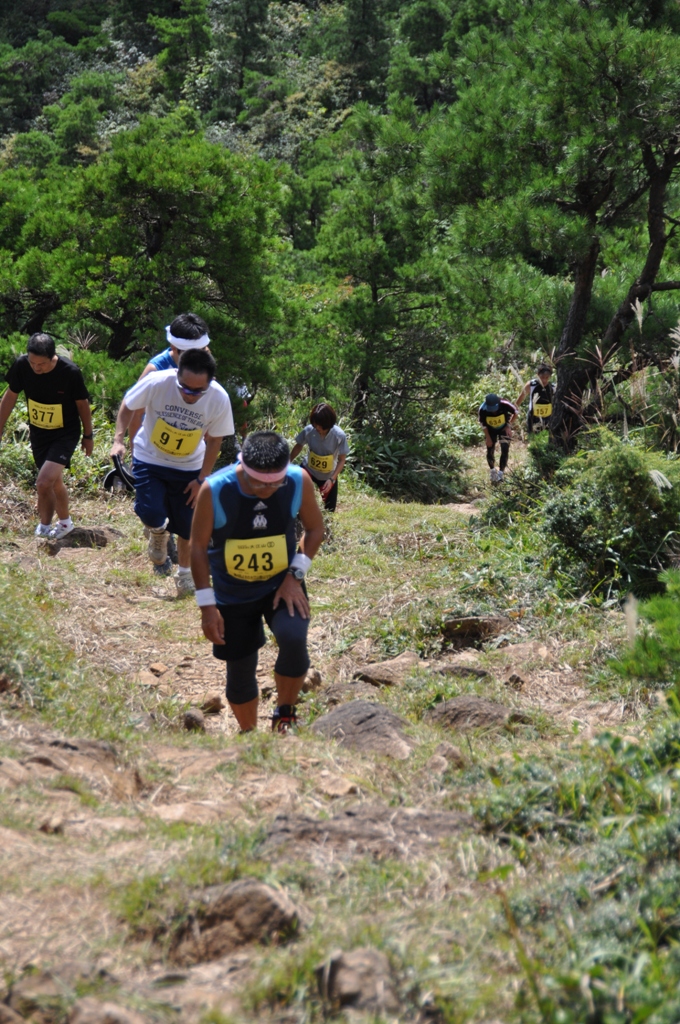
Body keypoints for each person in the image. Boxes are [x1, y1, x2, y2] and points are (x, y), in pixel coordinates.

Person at [191, 431, 324, 734]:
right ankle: (250, 734)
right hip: (233, 593)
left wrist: (294, 576)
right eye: (257, 483)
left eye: (274, 482)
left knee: (293, 640)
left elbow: (315, 530)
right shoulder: (214, 490)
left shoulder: (298, 481)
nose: (267, 489)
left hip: (282, 585)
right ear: (243, 466)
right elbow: (197, 548)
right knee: (240, 670)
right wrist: (207, 606)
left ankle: (285, 712)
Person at [111, 348, 235, 595]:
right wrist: (119, 440)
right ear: (177, 374)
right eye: (184, 388)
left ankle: (185, 575)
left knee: (188, 526)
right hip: (150, 457)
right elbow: (128, 403)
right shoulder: (158, 381)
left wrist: (202, 479)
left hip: (189, 467)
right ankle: (157, 532)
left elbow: (215, 441)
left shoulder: (219, 398)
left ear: (210, 383)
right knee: (150, 511)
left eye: (198, 391)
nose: (190, 395)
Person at [128, 312, 213, 574]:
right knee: (156, 510)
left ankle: (176, 552)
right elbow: (135, 412)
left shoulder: (205, 364)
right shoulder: (156, 369)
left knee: (184, 512)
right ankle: (159, 536)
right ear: (174, 349)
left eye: (204, 350)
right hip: (154, 453)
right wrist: (134, 450)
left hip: (188, 455)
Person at [0, 333, 93, 539]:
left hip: (65, 433)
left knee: (43, 482)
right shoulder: (22, 366)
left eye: (41, 364)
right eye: (32, 363)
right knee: (54, 481)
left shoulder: (70, 372)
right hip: (39, 432)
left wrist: (88, 435)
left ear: (52, 358)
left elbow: (82, 404)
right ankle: (66, 523)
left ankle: (43, 528)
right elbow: (10, 396)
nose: (36, 368)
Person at [290, 403, 349, 513]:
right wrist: (288, 461)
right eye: (315, 424)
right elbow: (298, 446)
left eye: (320, 426)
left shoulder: (339, 436)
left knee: (330, 510)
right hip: (309, 469)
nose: (317, 428)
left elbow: (342, 459)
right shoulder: (309, 430)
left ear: (328, 424)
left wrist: (332, 479)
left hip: (328, 475)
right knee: (295, 491)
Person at [478, 393, 518, 483]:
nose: (493, 412)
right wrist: (488, 438)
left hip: (503, 428)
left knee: (505, 448)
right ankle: (492, 471)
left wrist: (508, 425)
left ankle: (501, 473)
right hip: (490, 430)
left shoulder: (505, 403)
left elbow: (516, 412)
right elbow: (483, 424)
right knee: (490, 450)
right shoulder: (482, 409)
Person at [516, 363, 555, 434]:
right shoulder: (531, 385)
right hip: (533, 418)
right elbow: (520, 400)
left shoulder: (553, 387)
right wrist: (513, 415)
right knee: (533, 441)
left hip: (548, 419)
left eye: (547, 377)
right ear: (537, 374)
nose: (544, 380)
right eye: (542, 377)